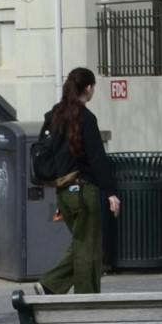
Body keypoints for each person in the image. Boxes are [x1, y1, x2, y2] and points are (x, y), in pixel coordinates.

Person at [37, 68, 121, 297]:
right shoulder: (86, 117)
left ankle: (52, 286)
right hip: (85, 191)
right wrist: (111, 192)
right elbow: (97, 158)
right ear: (88, 88)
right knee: (88, 248)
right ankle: (84, 298)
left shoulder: (55, 114)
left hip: (64, 191)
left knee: (82, 242)